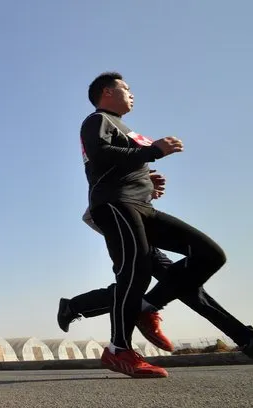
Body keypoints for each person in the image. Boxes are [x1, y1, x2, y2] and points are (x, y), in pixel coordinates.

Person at [78, 71, 235, 378]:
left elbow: (124, 164)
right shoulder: (97, 120)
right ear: (107, 93)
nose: (132, 94)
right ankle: (118, 350)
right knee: (134, 269)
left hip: (143, 206)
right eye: (126, 89)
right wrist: (153, 152)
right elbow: (99, 156)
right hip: (114, 203)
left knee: (210, 254)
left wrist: (148, 182)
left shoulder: (126, 128)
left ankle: (148, 306)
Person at [57, 206, 253, 358]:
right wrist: (150, 159)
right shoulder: (118, 159)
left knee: (182, 285)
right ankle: (244, 337)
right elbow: (105, 176)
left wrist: (146, 184)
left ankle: (76, 306)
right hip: (119, 218)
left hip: (137, 220)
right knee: (168, 285)